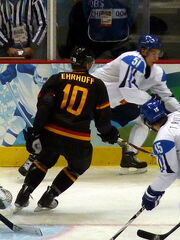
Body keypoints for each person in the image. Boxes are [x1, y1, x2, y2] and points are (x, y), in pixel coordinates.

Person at [14, 47, 119, 212]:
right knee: (78, 167)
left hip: (51, 133)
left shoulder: (57, 78)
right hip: (77, 139)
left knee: (43, 161)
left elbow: (44, 107)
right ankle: (49, 196)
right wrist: (109, 133)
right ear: (89, 63)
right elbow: (103, 120)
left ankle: (24, 193)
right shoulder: (97, 85)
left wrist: (36, 132)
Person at [92, 34, 180, 175]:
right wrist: (150, 102)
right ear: (143, 51)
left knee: (144, 122)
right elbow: (127, 90)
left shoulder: (157, 73)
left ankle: (129, 156)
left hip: (116, 102)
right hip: (94, 98)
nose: (157, 58)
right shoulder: (132, 59)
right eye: (153, 53)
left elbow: (167, 96)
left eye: (159, 53)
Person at [140, 99, 180, 211]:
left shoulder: (163, 138)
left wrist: (152, 193)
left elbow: (169, 172)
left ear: (148, 122)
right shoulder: (176, 114)